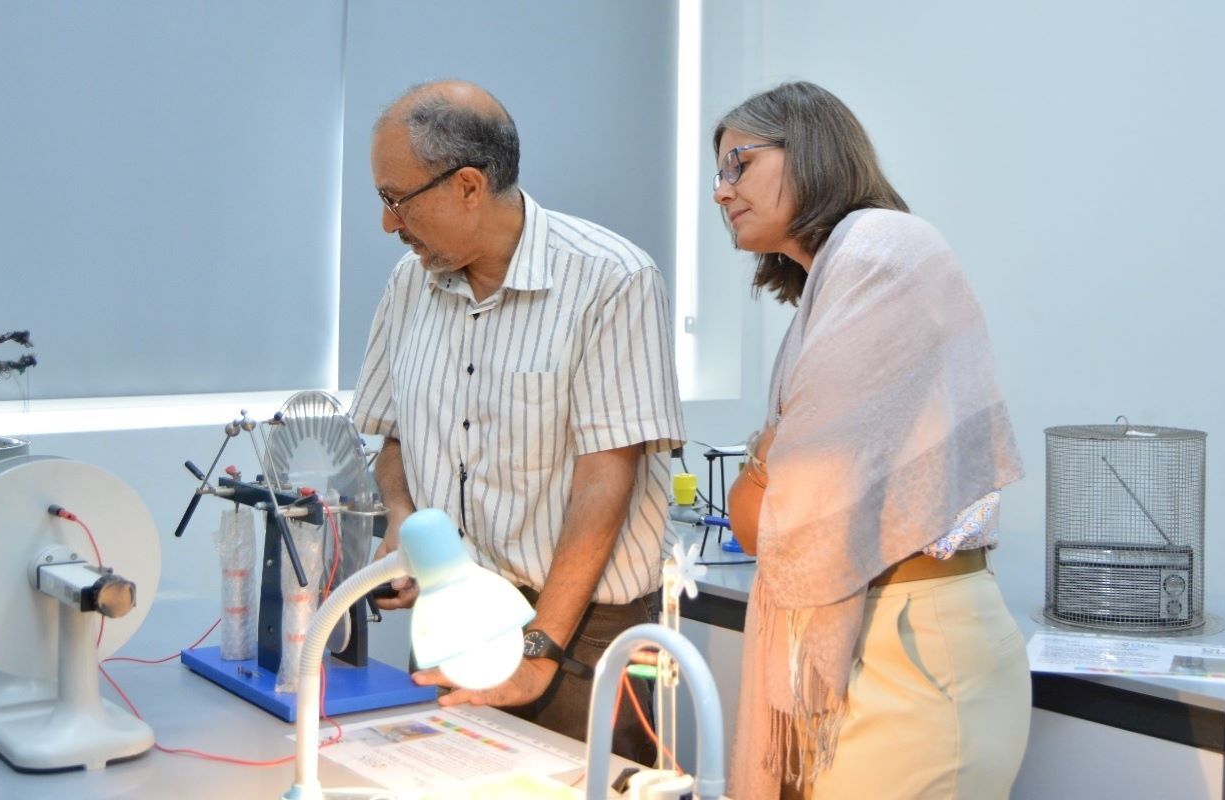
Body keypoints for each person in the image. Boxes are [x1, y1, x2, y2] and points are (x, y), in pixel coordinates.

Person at [351, 80, 684, 764]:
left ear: (468, 185)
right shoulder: (409, 284)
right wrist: (405, 521)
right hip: (454, 612)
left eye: (395, 198)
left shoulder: (611, 280)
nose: (387, 223)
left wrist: (539, 649)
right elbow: (393, 435)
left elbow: (605, 480)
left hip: (582, 633)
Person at [716, 81, 1030, 798]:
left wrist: (768, 450)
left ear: (811, 151)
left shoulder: (882, 249)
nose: (720, 190)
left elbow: (772, 520)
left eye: (740, 163)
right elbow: (769, 509)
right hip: (884, 632)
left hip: (916, 648)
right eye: (719, 171)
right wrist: (773, 451)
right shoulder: (834, 280)